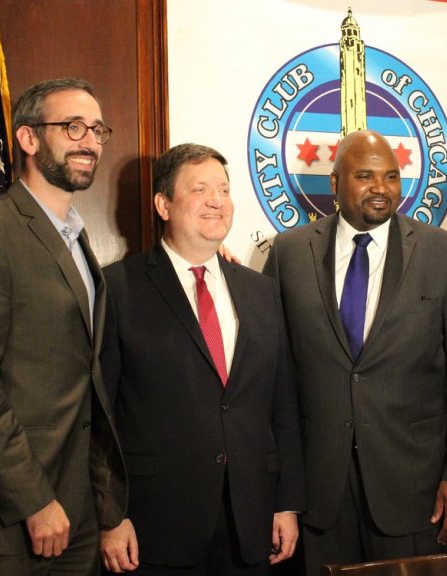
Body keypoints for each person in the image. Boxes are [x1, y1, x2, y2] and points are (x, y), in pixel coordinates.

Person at [262, 129, 447, 575]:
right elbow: (272, 372)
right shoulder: (290, 252)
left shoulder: (443, 252)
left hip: (414, 488)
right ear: (334, 183)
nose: (381, 188)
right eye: (365, 175)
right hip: (319, 491)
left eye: (391, 176)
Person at [0, 77, 128, 574]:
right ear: (29, 139)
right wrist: (33, 501)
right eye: (74, 127)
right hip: (8, 518)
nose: (90, 142)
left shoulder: (78, 241)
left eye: (98, 130)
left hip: (78, 512)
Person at [99, 143, 305, 575]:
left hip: (251, 523)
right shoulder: (117, 288)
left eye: (224, 189)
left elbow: (282, 405)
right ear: (164, 204)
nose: (217, 200)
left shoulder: (260, 290)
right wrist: (110, 516)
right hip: (156, 527)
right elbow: (101, 415)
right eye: (201, 189)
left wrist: (285, 502)